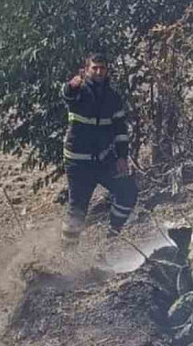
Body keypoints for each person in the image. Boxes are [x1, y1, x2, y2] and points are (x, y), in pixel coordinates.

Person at [60, 54, 138, 246]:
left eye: (102, 68)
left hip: (104, 160)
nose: (98, 71)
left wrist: (122, 157)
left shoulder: (113, 97)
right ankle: (67, 255)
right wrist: (71, 86)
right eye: (94, 68)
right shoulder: (79, 92)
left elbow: (120, 130)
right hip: (78, 162)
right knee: (77, 209)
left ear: (107, 70)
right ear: (86, 70)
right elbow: (67, 94)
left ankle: (110, 241)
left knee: (128, 192)